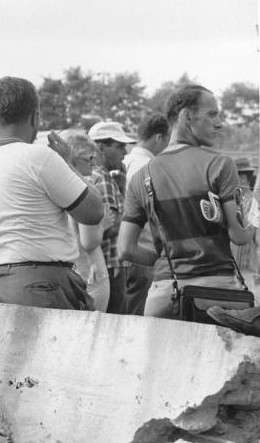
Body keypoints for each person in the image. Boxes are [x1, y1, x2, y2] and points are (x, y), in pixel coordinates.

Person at [0, 76, 104, 309]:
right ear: (35, 116)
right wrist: (68, 163)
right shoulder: (40, 158)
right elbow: (94, 211)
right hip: (45, 286)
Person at [118, 85, 254, 319]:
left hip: (163, 295)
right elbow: (239, 236)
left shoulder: (142, 176)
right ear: (186, 116)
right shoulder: (219, 164)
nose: (219, 123)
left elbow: (125, 249)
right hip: (216, 295)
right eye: (212, 114)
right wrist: (254, 221)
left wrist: (163, 260)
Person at [121, 114, 170, 315]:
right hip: (144, 250)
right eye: (167, 140)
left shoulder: (128, 160)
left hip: (133, 248)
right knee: (140, 318)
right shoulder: (146, 167)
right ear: (159, 138)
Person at [87, 121, 136, 314]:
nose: (125, 152)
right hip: (112, 266)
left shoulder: (104, 177)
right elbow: (112, 226)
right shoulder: (102, 179)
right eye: (119, 146)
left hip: (109, 265)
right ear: (101, 148)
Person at [64, 132, 109, 311]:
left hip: (72, 272)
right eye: (89, 158)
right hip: (91, 272)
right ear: (73, 160)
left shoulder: (58, 184)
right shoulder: (82, 187)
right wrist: (104, 224)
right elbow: (89, 241)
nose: (94, 163)